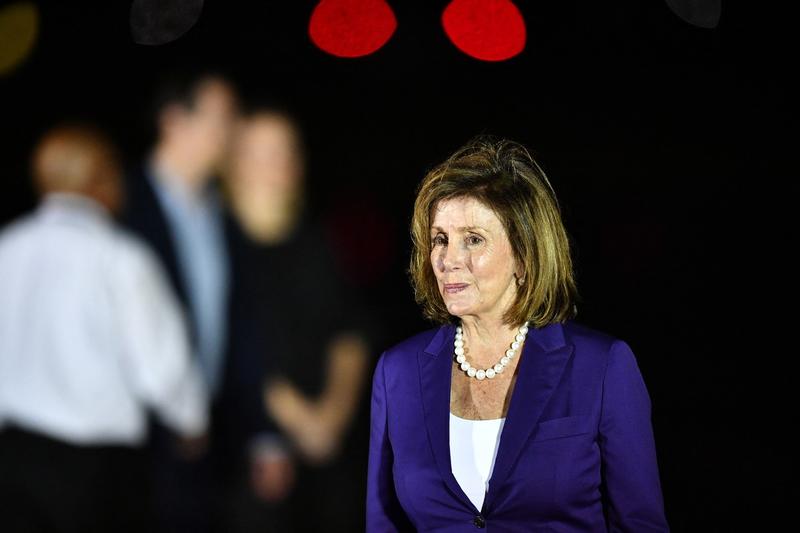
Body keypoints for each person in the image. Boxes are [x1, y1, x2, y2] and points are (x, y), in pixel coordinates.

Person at [366, 137, 670, 531]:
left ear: (524, 257)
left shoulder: (602, 367)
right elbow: (383, 522)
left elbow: (640, 524)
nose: (448, 259)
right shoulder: (398, 372)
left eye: (473, 239)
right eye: (440, 239)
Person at [0, 124, 208, 533]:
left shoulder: (7, 247)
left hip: (13, 460)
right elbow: (161, 367)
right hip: (95, 471)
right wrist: (193, 422)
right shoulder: (121, 259)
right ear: (101, 179)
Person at [224, 108, 371, 532]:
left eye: (285, 152)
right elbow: (228, 350)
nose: (276, 166)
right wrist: (294, 422)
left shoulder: (318, 242)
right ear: (232, 162)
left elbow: (351, 331)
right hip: (243, 460)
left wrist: (332, 415)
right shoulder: (215, 245)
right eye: (260, 153)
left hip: (327, 459)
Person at [120, 71, 237, 533]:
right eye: (220, 118)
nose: (231, 132)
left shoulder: (222, 211)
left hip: (209, 435)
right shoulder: (122, 204)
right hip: (136, 435)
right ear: (173, 120)